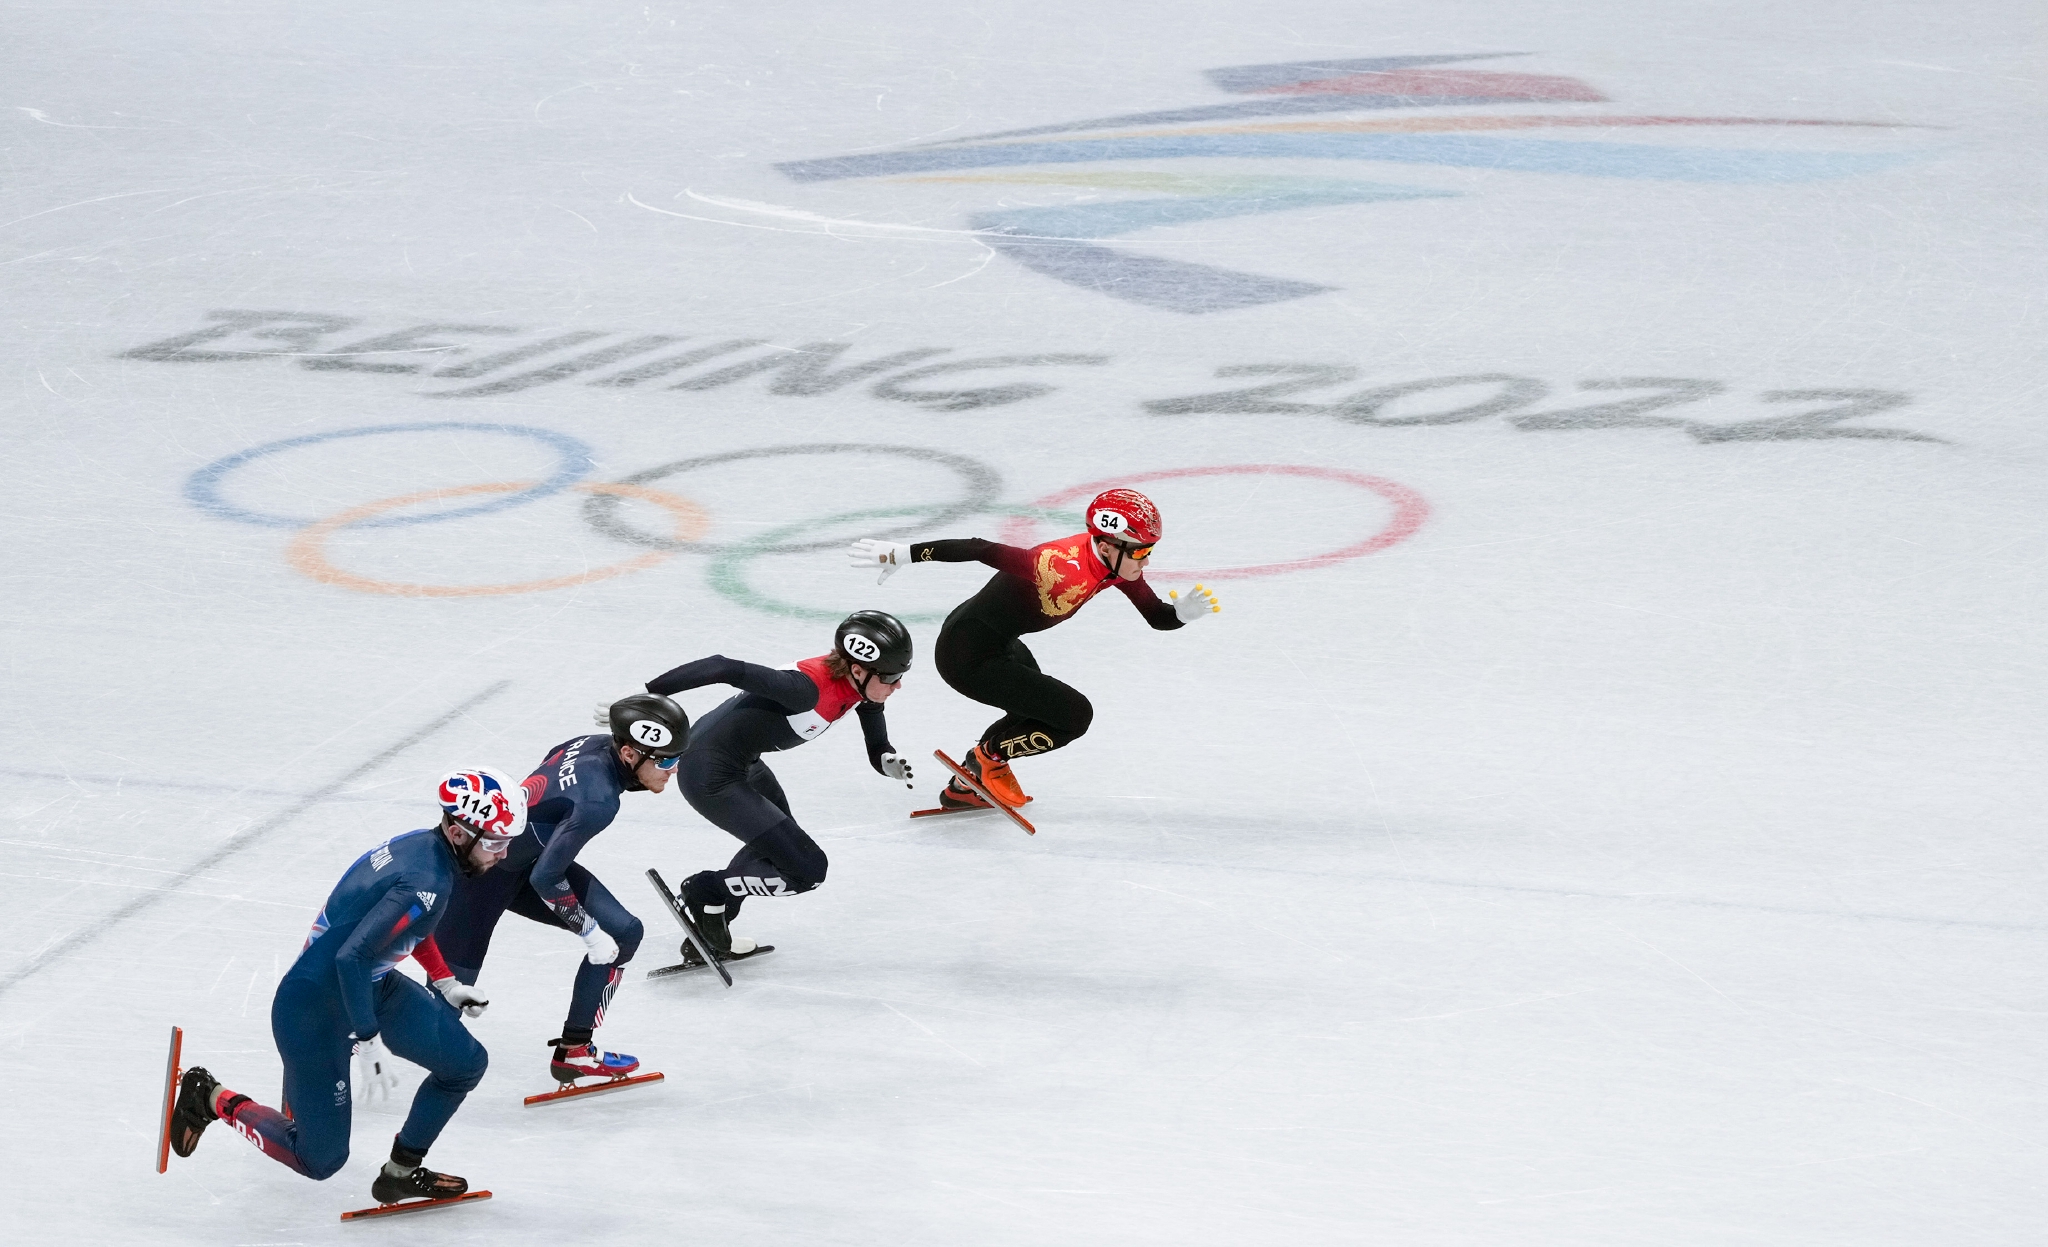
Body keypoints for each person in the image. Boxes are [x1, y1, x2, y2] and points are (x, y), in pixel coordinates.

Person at [165, 769, 521, 1203]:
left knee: (465, 1064)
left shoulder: (426, 852)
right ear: (457, 831)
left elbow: (407, 929)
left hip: (363, 988)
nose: (503, 855)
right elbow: (351, 956)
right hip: (313, 1012)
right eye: (496, 843)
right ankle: (211, 1097)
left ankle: (401, 1170)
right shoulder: (426, 880)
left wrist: (446, 983)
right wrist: (368, 1040)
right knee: (322, 1160)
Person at [846, 488, 1219, 809]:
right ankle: (985, 760)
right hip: (965, 655)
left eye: (1149, 550)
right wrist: (905, 553)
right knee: (1074, 716)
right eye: (1140, 553)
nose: (1147, 561)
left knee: (1040, 714)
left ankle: (967, 784)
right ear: (1106, 546)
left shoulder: (1113, 565)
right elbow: (981, 548)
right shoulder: (1055, 565)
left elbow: (1158, 616)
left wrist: (1181, 614)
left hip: (999, 644)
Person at [432, 695, 689, 1086]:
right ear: (628, 754)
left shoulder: (586, 742)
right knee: (442, 1008)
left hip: (525, 860)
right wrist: (587, 931)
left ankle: (576, 1051)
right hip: (482, 876)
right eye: (667, 760)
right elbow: (546, 880)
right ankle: (340, 1031)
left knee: (623, 932)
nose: (673, 770)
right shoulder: (599, 800)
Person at [647, 611, 915, 960]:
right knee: (806, 871)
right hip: (709, 773)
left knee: (777, 852)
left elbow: (869, 707)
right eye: (892, 677)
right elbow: (722, 666)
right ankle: (704, 891)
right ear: (859, 670)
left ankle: (708, 926)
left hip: (742, 762)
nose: (898, 686)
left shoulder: (857, 682)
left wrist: (882, 756)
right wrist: (647, 694)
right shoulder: (804, 689)